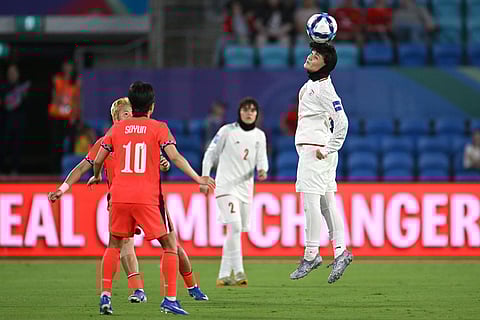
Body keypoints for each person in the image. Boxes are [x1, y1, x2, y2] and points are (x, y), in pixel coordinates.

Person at [48, 97, 209, 306]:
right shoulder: (108, 139)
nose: (130, 117)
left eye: (132, 113)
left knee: (172, 244)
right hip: (121, 199)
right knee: (124, 244)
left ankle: (192, 285)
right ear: (115, 117)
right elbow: (81, 167)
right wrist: (63, 188)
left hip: (148, 198)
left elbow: (163, 161)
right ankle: (138, 290)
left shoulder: (139, 135)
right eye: (126, 114)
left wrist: (163, 164)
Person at [87, 82, 215, 316]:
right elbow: (174, 157)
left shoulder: (116, 129)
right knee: (169, 245)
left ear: (131, 105)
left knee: (114, 245)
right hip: (148, 197)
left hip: (119, 196)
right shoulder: (158, 127)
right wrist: (197, 178)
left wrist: (96, 176)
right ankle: (170, 299)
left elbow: (97, 160)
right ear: (152, 107)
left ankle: (105, 296)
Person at [289, 41, 353, 284]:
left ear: (325, 66)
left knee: (310, 203)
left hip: (315, 151)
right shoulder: (310, 86)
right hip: (318, 150)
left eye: (316, 56)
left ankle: (311, 254)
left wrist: (327, 149)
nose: (310, 57)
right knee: (327, 204)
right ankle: (340, 252)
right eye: (311, 53)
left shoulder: (325, 90)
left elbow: (343, 123)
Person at [201, 97, 269, 286]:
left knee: (236, 230)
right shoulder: (227, 131)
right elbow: (210, 154)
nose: (249, 113)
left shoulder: (259, 136)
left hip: (246, 189)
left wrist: (263, 170)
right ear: (239, 112)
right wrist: (205, 177)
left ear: (256, 114)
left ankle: (223, 274)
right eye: (245, 109)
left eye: (252, 110)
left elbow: (262, 158)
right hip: (225, 187)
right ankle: (239, 272)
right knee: (236, 226)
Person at [48, 59, 81, 173]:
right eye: (66, 65)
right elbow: (54, 97)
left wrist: (75, 116)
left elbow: (77, 100)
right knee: (56, 144)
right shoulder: (57, 80)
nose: (68, 68)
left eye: (70, 66)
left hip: (70, 118)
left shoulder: (76, 82)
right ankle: (55, 171)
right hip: (57, 116)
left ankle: (69, 171)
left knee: (70, 144)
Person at [0, 63, 30, 174]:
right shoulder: (3, 88)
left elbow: (27, 104)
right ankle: (2, 169)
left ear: (18, 74)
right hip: (5, 121)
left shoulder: (23, 87)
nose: (12, 74)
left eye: (14, 72)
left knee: (17, 146)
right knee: (3, 146)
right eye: (10, 72)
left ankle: (15, 169)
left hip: (19, 121)